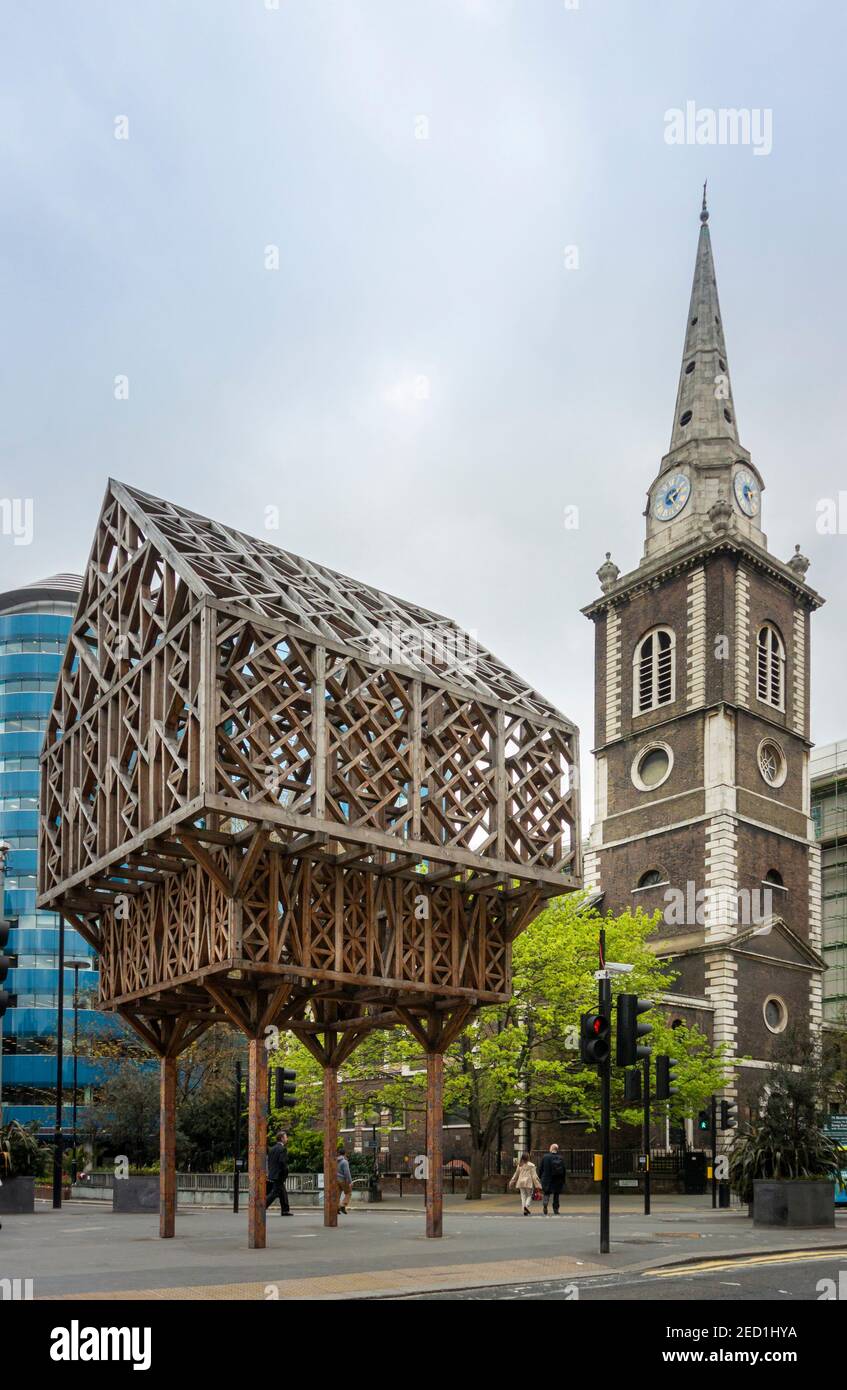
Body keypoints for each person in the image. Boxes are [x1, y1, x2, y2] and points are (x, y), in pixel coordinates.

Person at [265, 1130, 291, 1216]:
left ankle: (285, 1210)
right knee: (274, 1193)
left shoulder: (272, 1149)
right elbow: (282, 1163)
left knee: (283, 1192)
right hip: (279, 1175)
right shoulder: (282, 1149)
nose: (287, 1138)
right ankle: (261, 1207)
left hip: (272, 1174)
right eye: (286, 1137)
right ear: (282, 1138)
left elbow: (270, 1162)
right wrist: (285, 1172)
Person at [538, 1143, 566, 1215]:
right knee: (556, 1195)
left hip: (547, 1179)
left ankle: (545, 1204)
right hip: (557, 1180)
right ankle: (556, 1209)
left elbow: (541, 1168)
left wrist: (540, 1177)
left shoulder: (545, 1157)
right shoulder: (561, 1158)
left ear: (551, 1149)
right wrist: (563, 1180)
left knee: (546, 1193)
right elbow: (564, 1170)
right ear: (557, 1149)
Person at [337, 1145, 353, 1214]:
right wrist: (350, 1182)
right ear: (345, 1153)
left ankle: (336, 1207)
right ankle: (343, 1205)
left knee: (338, 1194)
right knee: (348, 1192)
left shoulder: (335, 1160)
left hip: (335, 1179)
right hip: (342, 1179)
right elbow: (347, 1173)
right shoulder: (344, 1162)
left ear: (338, 1153)